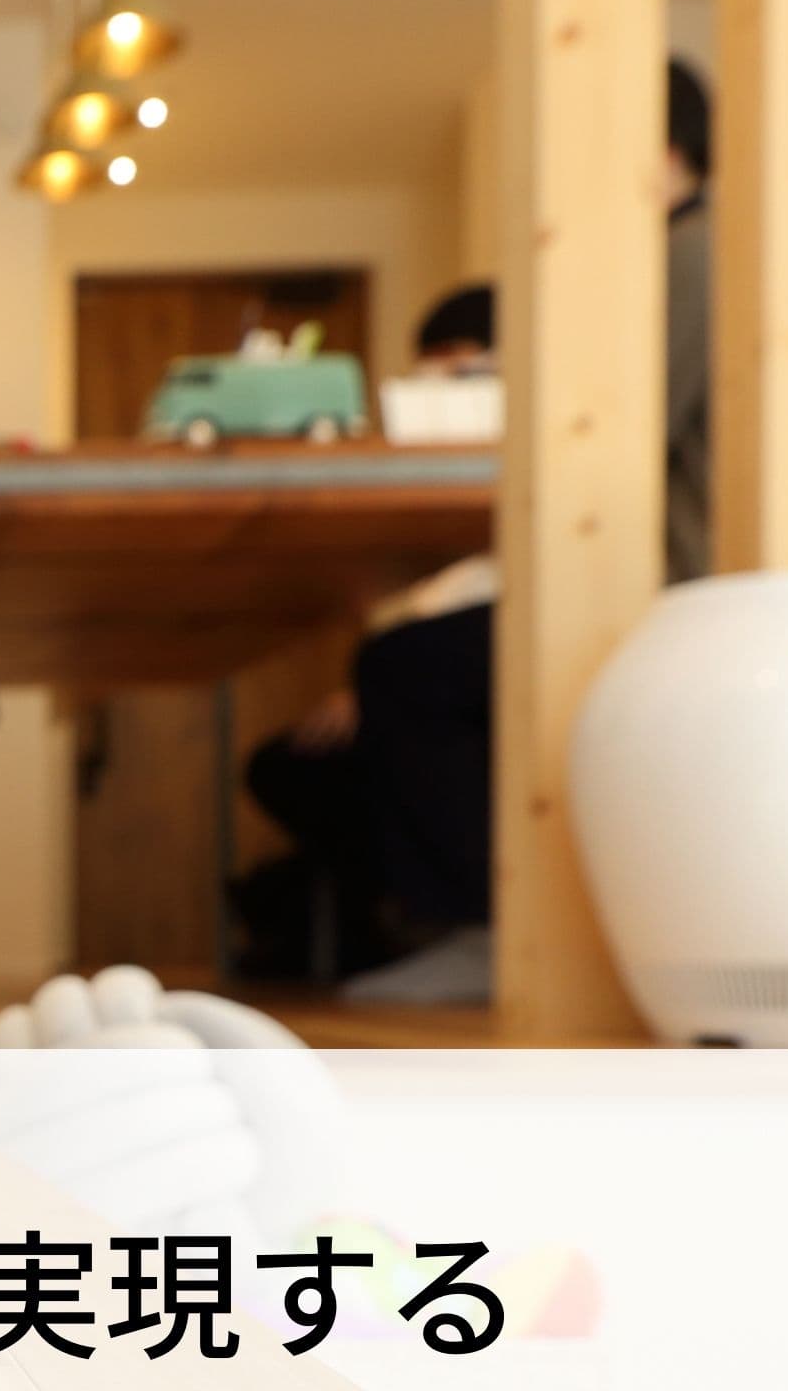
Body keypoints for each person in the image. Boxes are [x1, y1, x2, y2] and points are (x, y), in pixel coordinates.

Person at [230, 59, 716, 1007]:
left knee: (404, 670)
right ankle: (475, 921)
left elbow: (615, 434)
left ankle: (488, 929)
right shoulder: (675, 258)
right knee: (403, 677)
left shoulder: (684, 261)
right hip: (640, 579)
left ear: (662, 148)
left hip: (657, 590)